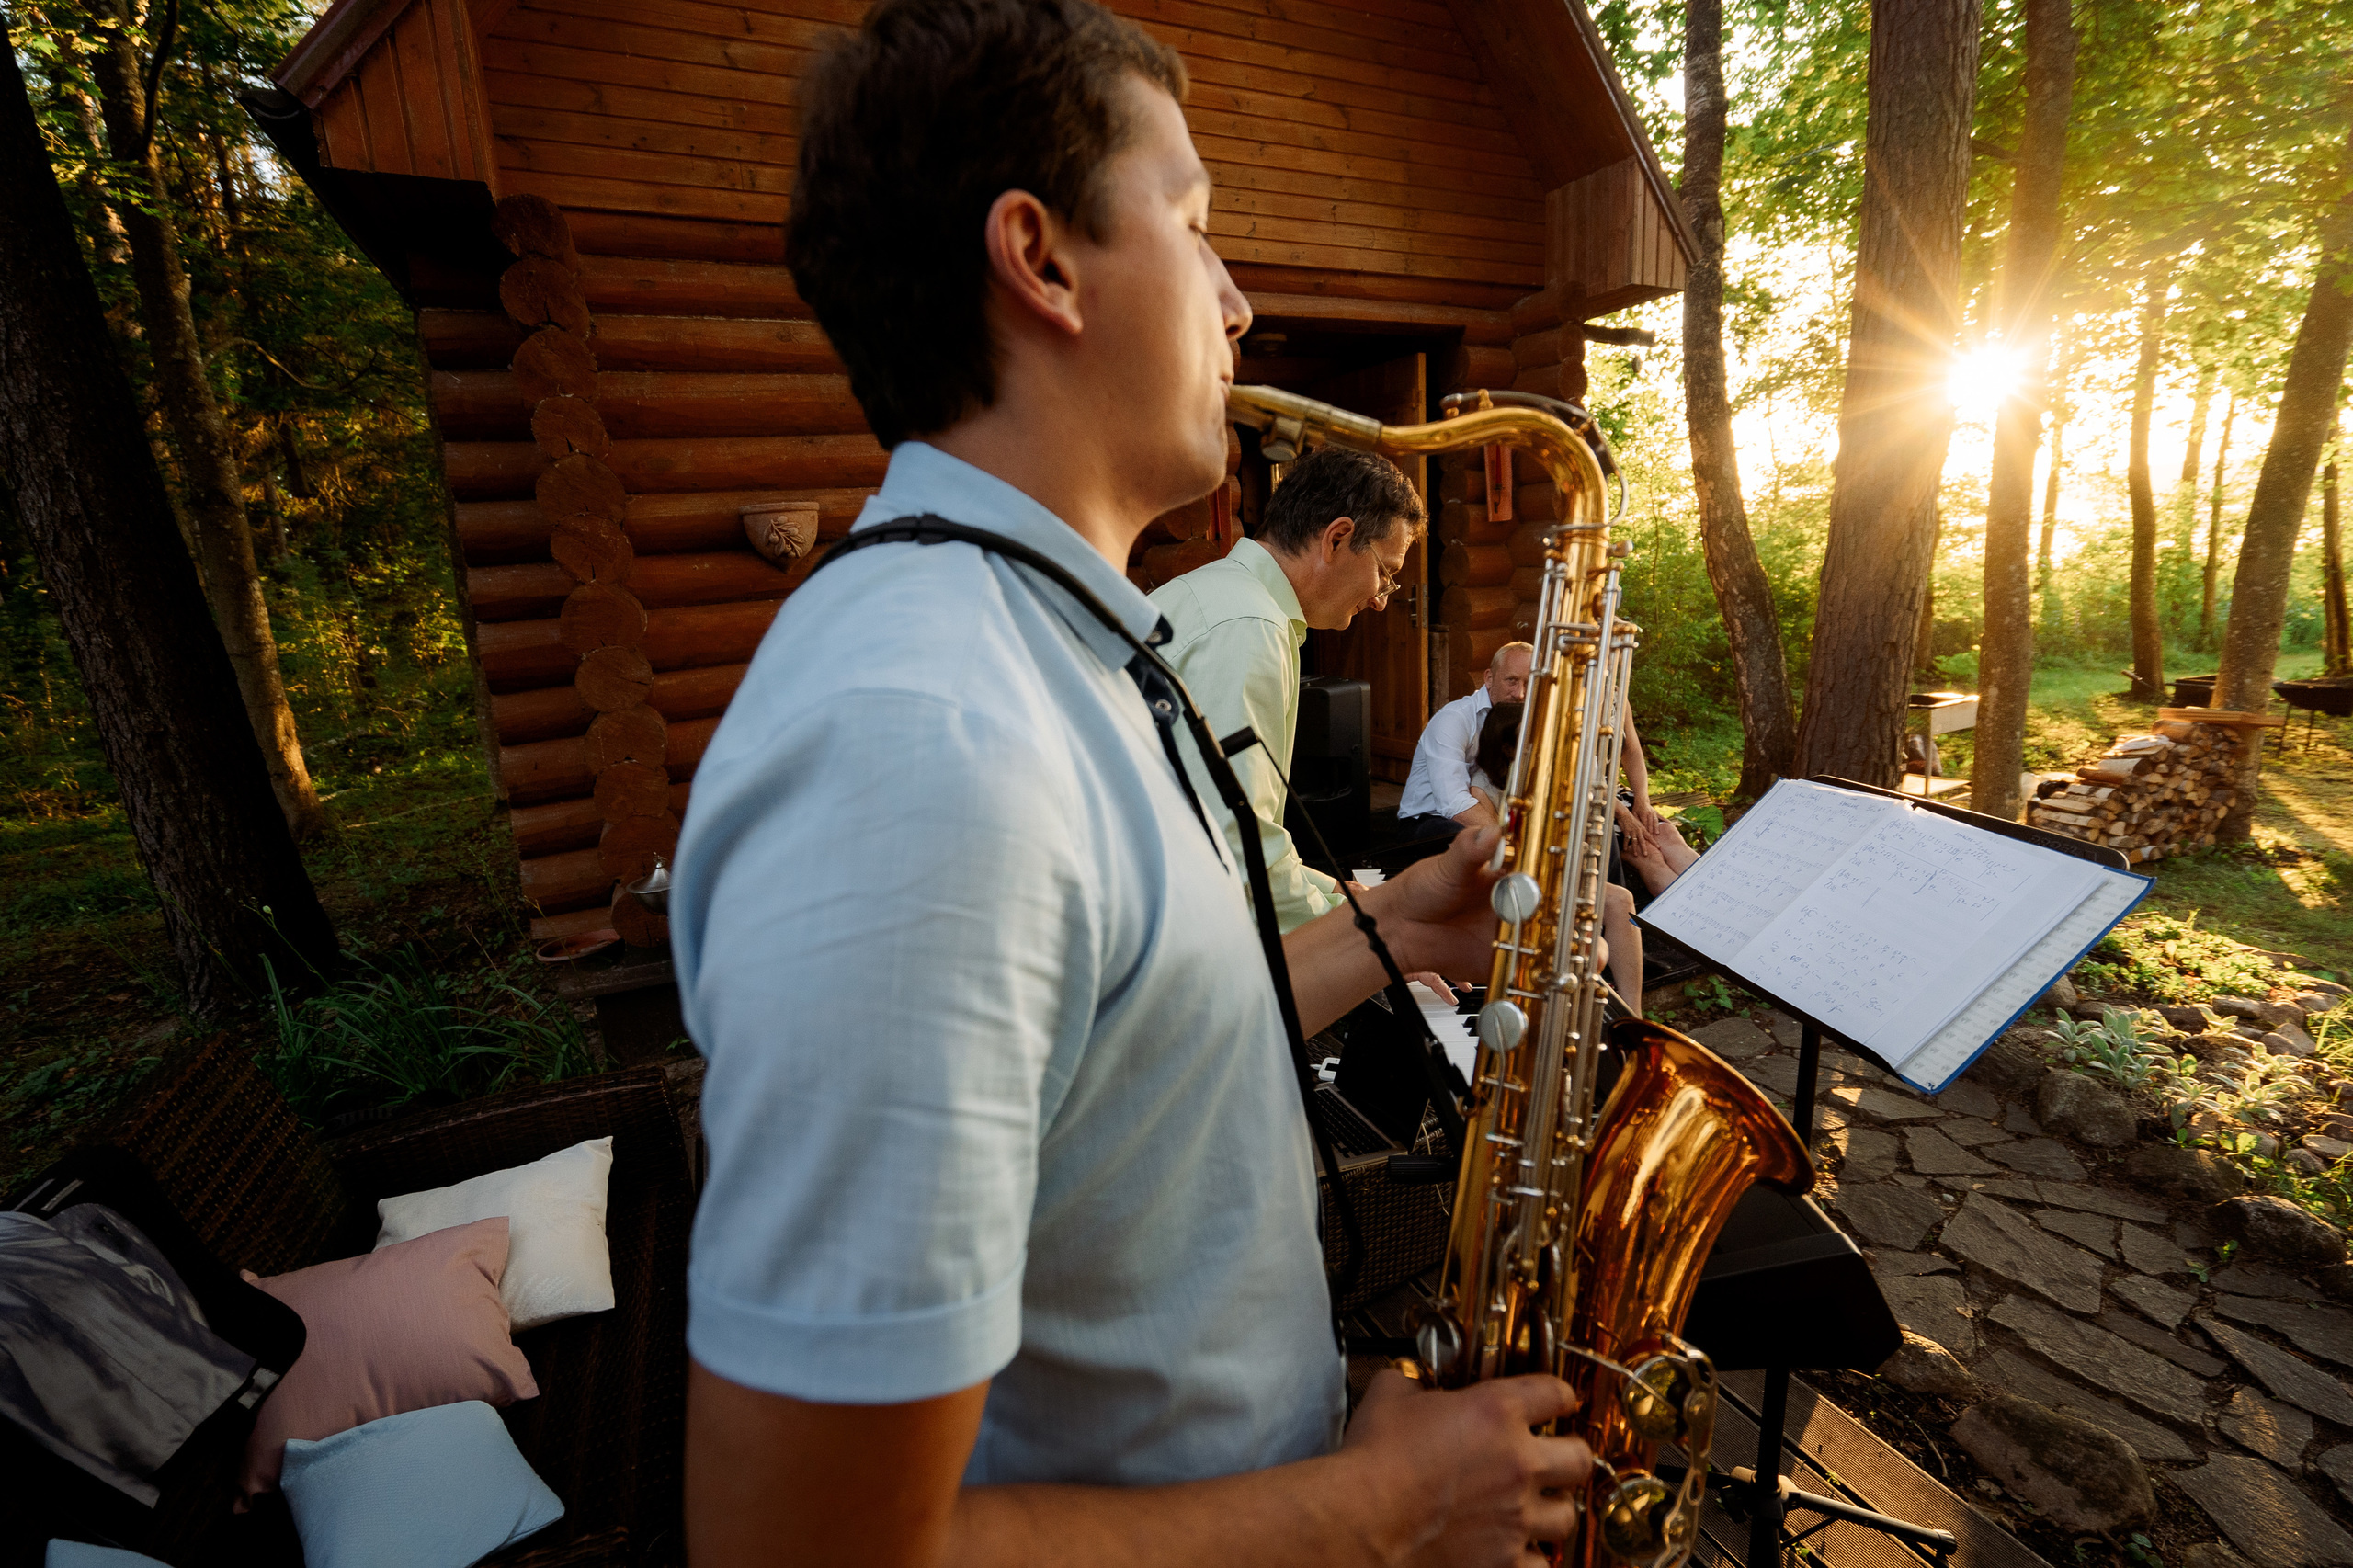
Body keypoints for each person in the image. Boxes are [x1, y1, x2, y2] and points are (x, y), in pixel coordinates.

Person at [670, 5, 1590, 1565]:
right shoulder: (925, 744)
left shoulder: (1061, 648)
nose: (1237, 303)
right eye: (1197, 224)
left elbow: (1134, 1042)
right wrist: (1386, 1508)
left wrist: (1400, 936)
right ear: (1042, 260)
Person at [1150, 447, 1424, 931]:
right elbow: (1237, 856)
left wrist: (1332, 890)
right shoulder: (1249, 626)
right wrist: (1372, 934)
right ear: (1337, 538)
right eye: (1387, 573)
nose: (1382, 601)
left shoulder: (1226, 597)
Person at [1475, 701, 1646, 1011]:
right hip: (1517, 886)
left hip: (1557, 875)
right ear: (1507, 749)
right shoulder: (1483, 791)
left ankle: (1634, 1014)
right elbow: (1495, 854)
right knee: (1591, 945)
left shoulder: (1546, 780)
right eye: (1530, 742)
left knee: (1620, 899)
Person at [1394, 642, 1529, 840]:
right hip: (1431, 821)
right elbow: (1454, 803)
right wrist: (1506, 844)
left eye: (1529, 683)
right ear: (1489, 678)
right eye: (1512, 681)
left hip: (1491, 815)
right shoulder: (1453, 718)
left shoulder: (1531, 717)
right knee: (1464, 841)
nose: (1520, 694)